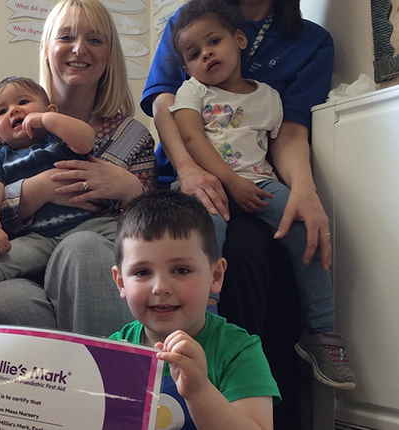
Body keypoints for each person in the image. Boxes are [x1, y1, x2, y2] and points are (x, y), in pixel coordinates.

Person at [141, 0, 334, 426]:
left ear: (238, 41)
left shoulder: (311, 42)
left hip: (260, 178)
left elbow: (290, 131)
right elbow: (167, 108)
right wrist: (190, 171)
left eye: (216, 43)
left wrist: (303, 190)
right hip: (193, 177)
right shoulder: (190, 19)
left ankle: (281, 383)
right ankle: (202, 351)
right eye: (197, 51)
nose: (206, 52)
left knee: (277, 239)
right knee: (227, 248)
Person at [0, 0, 156, 337]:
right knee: (5, 302)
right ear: (46, 49)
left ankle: (107, 381)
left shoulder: (132, 135)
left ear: (109, 55)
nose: (79, 48)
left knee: (83, 246)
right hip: (22, 266)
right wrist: (41, 187)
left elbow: (151, 235)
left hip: (96, 272)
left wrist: (129, 188)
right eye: (66, 37)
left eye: (95, 40)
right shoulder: (3, 113)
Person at [110, 189, 280, 430]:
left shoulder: (238, 351)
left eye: (181, 270)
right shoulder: (113, 352)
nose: (160, 287)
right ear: (121, 282)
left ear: (216, 276)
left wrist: (200, 392)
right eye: (142, 272)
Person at [0, 76, 102, 284]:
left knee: (130, 238)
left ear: (51, 112)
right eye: (2, 111)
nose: (14, 110)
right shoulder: (0, 158)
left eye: (23, 102)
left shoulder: (60, 139)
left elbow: (86, 141)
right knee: (2, 260)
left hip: (90, 225)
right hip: (38, 238)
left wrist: (46, 121)